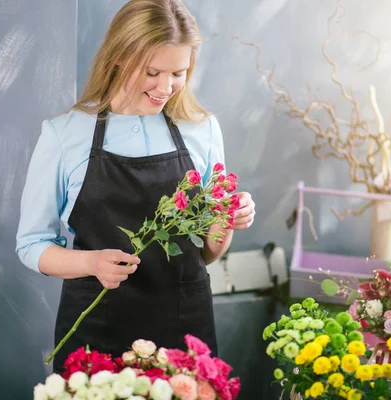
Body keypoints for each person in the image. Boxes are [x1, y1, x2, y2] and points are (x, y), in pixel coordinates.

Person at [15, 0, 256, 373]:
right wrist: (91, 262)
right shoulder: (64, 135)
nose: (166, 88)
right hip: (97, 330)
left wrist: (228, 218)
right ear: (119, 57)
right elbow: (31, 245)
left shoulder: (202, 129)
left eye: (179, 73)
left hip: (184, 327)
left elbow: (205, 254)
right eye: (153, 72)